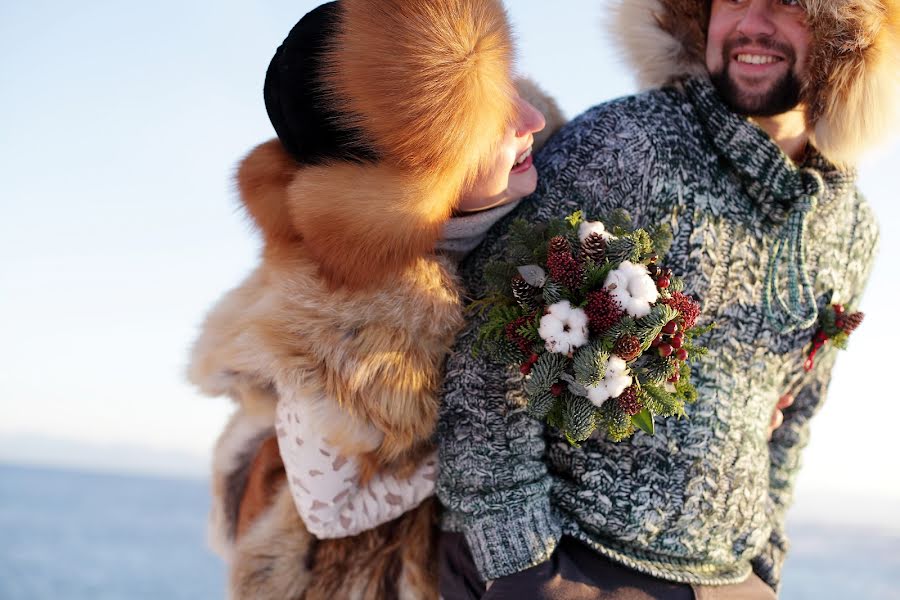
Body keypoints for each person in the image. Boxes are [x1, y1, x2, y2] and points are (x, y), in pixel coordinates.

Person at [436, 0, 896, 598]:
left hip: (731, 578)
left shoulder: (853, 227)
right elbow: (485, 352)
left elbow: (796, 414)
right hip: (575, 566)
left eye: (787, 4)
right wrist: (521, 562)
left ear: (847, 37)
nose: (750, 23)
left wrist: (765, 559)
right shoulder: (625, 144)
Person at [188, 1, 563, 598]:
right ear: (409, 183)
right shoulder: (346, 347)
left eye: (505, 85)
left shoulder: (551, 159)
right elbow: (327, 511)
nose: (532, 118)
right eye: (486, 119)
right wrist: (476, 443)